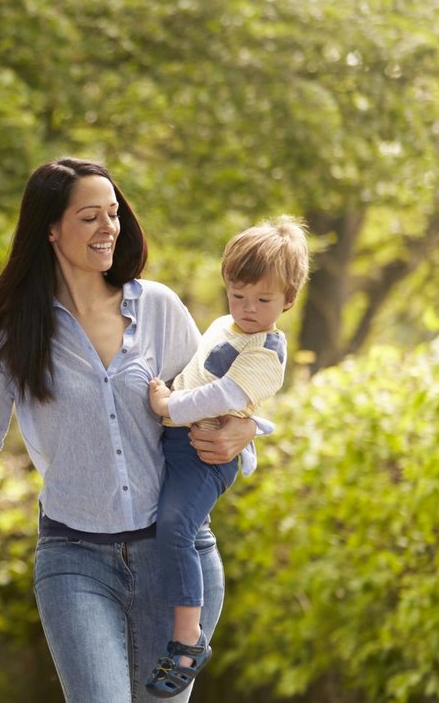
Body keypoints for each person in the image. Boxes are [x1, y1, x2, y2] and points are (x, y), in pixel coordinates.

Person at [0, 157, 264, 703]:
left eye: (113, 214)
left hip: (175, 557)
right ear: (51, 228)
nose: (108, 228)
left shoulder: (158, 308)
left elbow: (214, 396)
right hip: (75, 559)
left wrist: (244, 435)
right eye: (89, 217)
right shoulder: (13, 330)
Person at [140, 216, 310, 698]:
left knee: (177, 527)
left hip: (206, 454)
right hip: (179, 440)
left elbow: (219, 396)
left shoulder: (266, 354)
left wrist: (166, 405)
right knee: (164, 522)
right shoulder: (221, 326)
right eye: (239, 296)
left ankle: (188, 638)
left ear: (288, 300)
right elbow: (194, 371)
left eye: (264, 300)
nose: (249, 309)